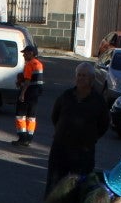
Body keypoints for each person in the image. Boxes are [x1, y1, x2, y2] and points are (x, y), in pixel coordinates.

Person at [45, 62, 108, 195]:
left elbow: (103, 125)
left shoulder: (98, 101)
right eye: (78, 75)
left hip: (83, 151)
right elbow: (55, 116)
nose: (80, 78)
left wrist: (90, 138)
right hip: (60, 148)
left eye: (84, 75)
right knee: (54, 182)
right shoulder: (66, 96)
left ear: (91, 79)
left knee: (79, 185)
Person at [13, 45, 44, 147]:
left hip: (28, 93)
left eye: (25, 53)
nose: (23, 55)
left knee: (20, 115)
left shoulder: (29, 64)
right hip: (35, 94)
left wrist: (22, 94)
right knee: (31, 117)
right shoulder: (39, 64)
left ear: (31, 53)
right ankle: (29, 139)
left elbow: (27, 81)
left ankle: (22, 138)